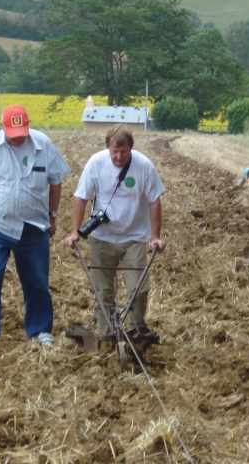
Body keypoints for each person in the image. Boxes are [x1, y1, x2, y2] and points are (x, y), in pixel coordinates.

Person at [0, 105, 71, 348]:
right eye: (13, 133)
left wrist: (52, 217)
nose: (18, 137)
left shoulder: (43, 145)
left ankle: (40, 329)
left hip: (34, 226)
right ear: (2, 127)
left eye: (22, 131)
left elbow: (56, 182)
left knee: (36, 280)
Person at [65, 124, 166, 341]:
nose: (119, 157)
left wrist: (155, 236)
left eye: (124, 152)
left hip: (134, 238)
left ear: (131, 148)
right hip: (102, 238)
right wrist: (75, 231)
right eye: (115, 152)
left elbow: (154, 201)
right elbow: (81, 197)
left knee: (139, 289)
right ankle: (108, 334)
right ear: (107, 148)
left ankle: (137, 329)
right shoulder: (96, 163)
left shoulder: (144, 166)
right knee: (103, 292)